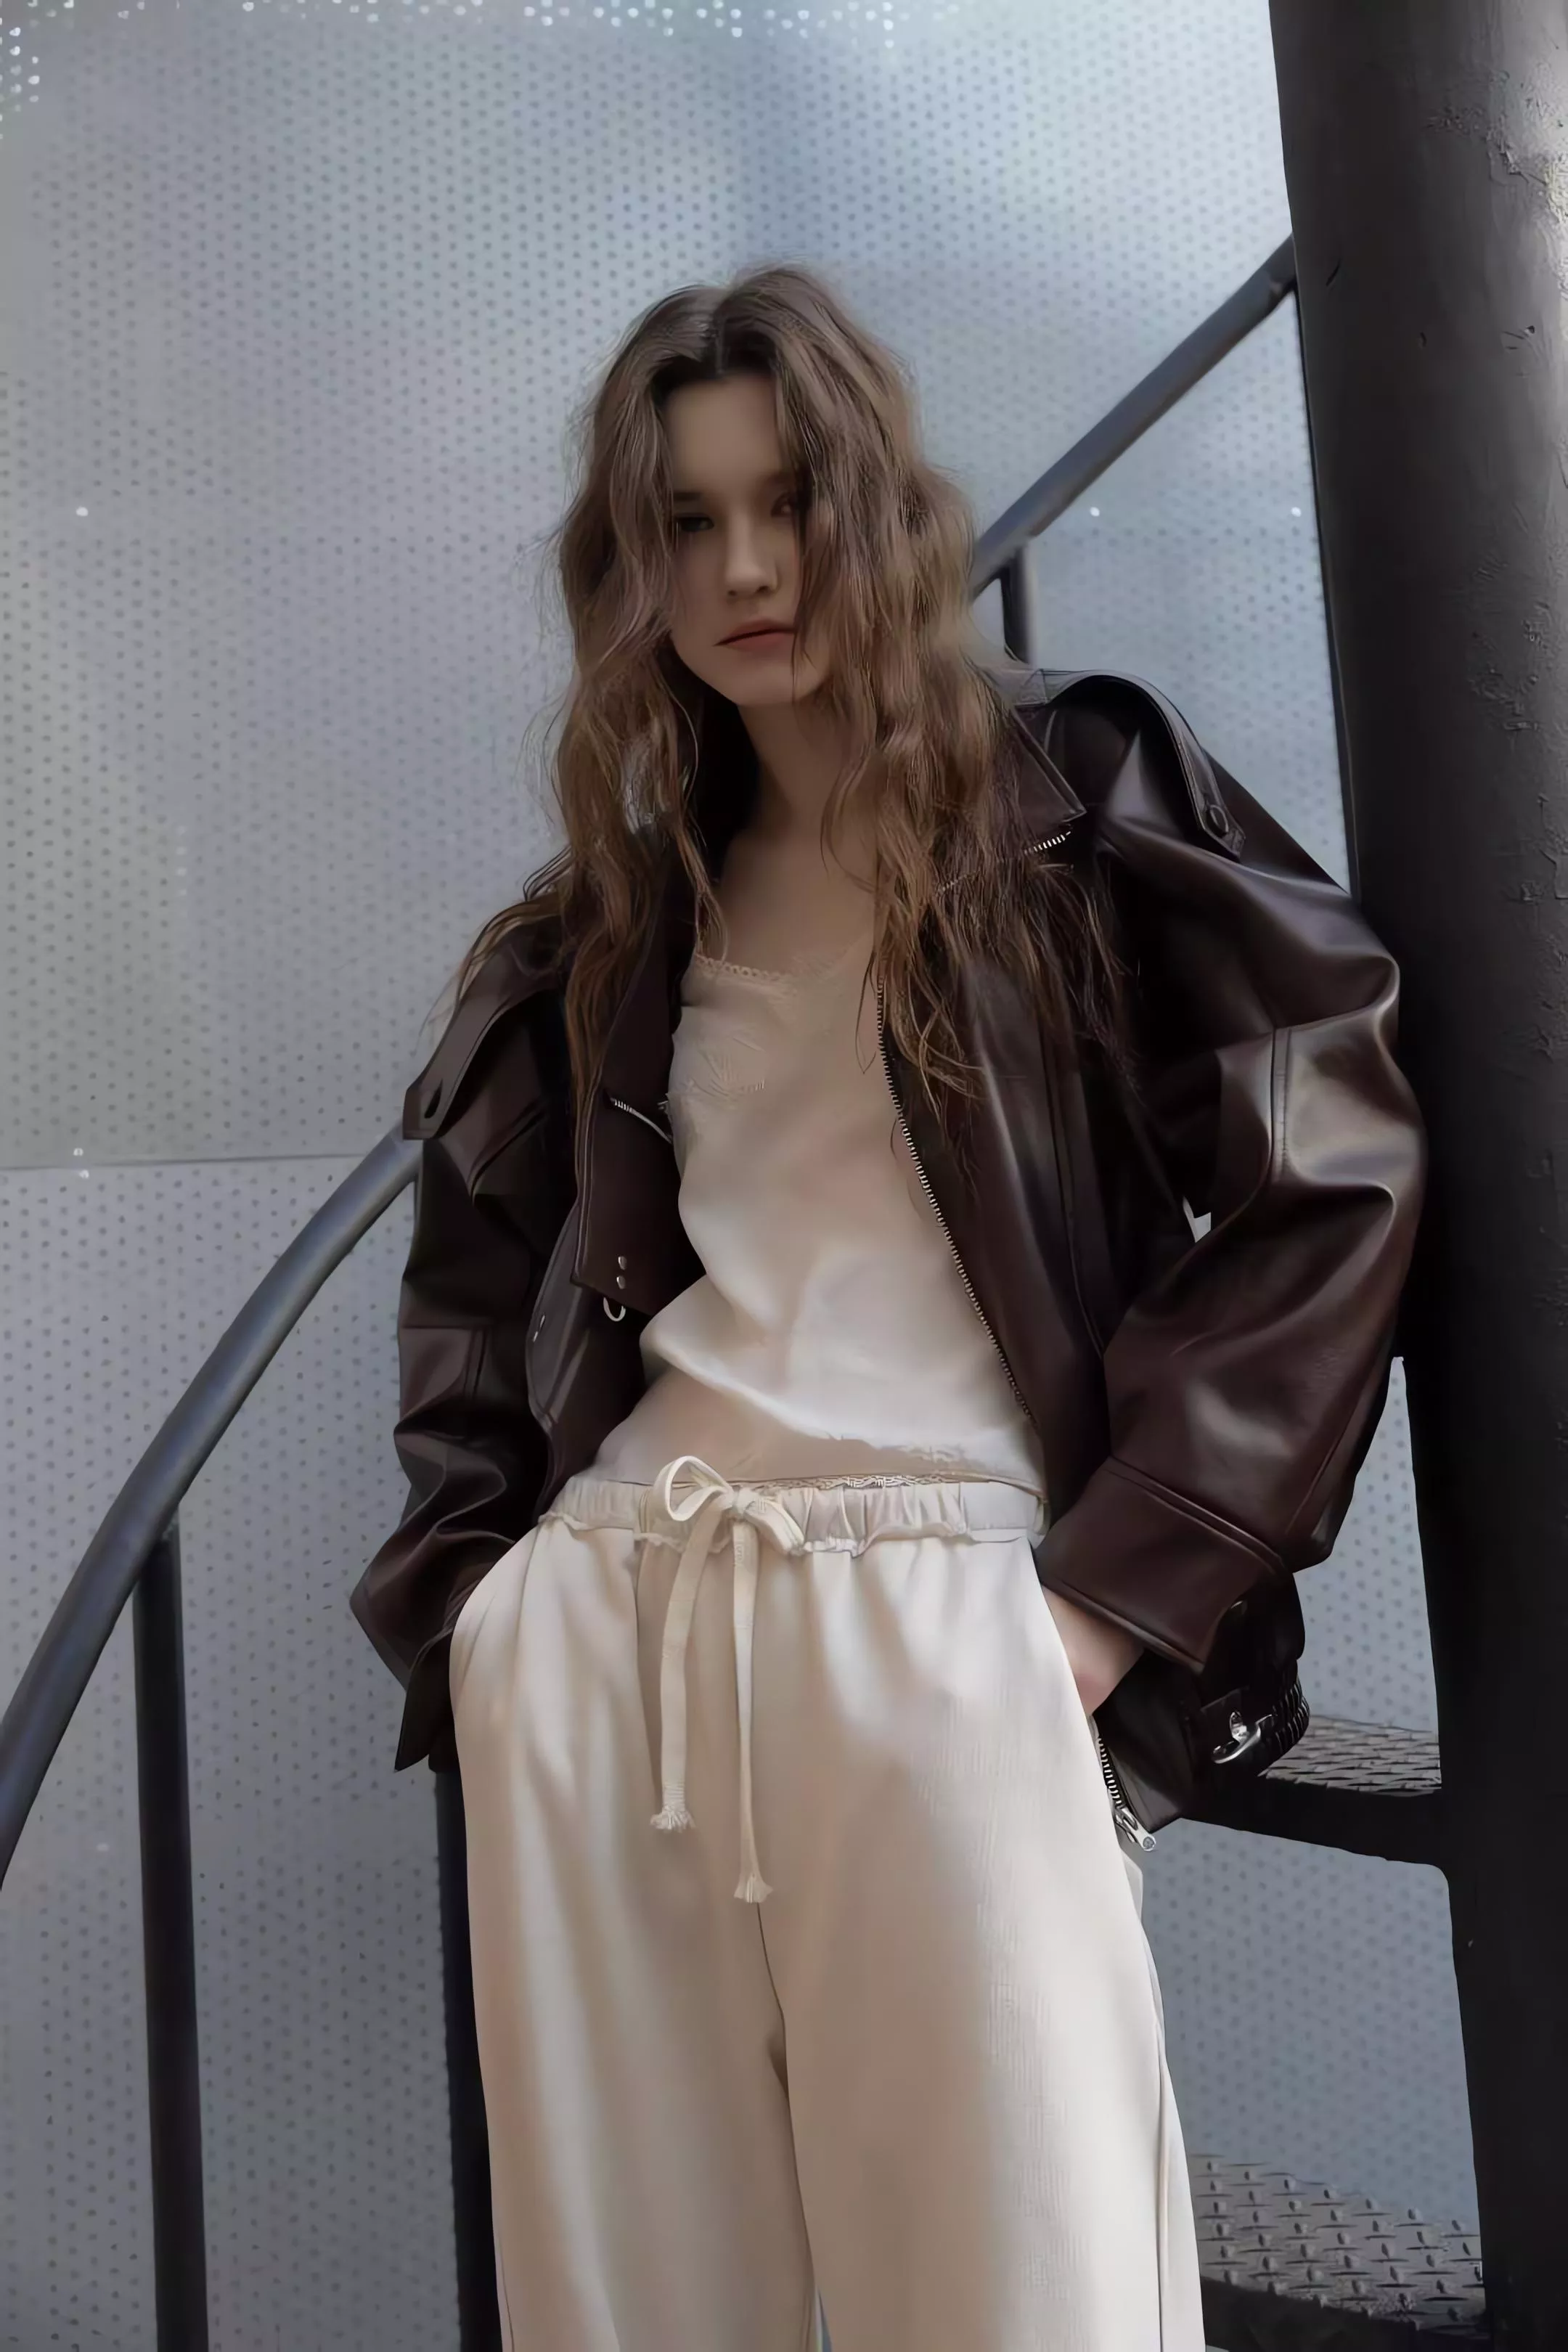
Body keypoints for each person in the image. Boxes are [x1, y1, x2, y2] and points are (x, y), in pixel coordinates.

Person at [351, 265, 1426, 2351]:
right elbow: (470, 1288)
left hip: (950, 1624)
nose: (747, 569)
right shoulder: (614, 920)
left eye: (790, 502)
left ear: (882, 510)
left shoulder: (1071, 804)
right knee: (635, 2315)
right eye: (684, 521)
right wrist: (484, 1622)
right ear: (630, 565)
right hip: (622, 1643)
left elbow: (1338, 1148)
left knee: (1030, 2304)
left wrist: (1113, 1598)